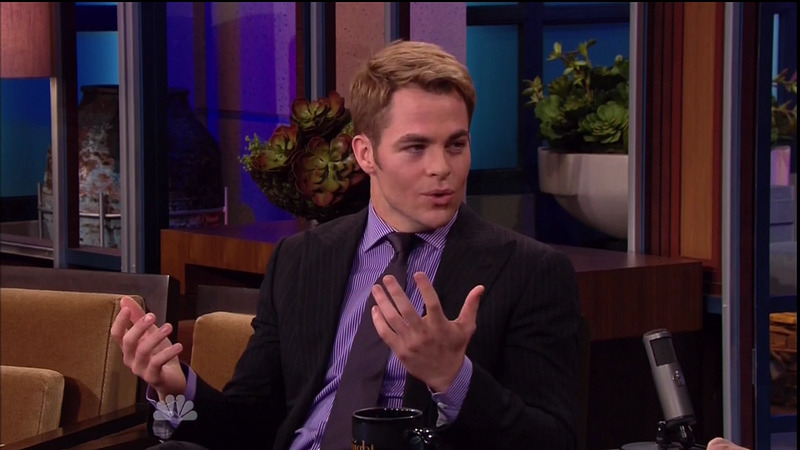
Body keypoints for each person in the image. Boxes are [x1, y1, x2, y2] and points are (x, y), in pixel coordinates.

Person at [111, 39, 581, 450]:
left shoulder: (529, 271)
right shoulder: (301, 260)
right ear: (365, 154)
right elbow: (248, 426)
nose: (442, 168)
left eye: (455, 145)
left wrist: (452, 378)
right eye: (416, 147)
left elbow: (554, 440)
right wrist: (175, 390)